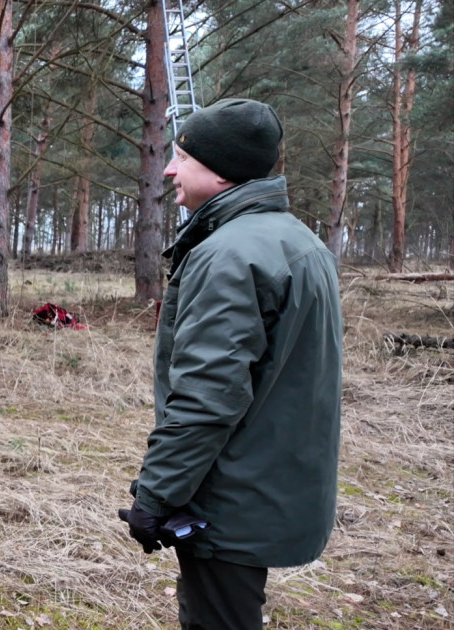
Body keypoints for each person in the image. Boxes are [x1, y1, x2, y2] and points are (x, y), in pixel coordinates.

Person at [119, 98, 343, 630]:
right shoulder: (299, 241)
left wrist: (156, 494)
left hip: (231, 496)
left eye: (182, 157)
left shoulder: (229, 254)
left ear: (218, 172)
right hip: (272, 482)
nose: (170, 169)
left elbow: (207, 396)